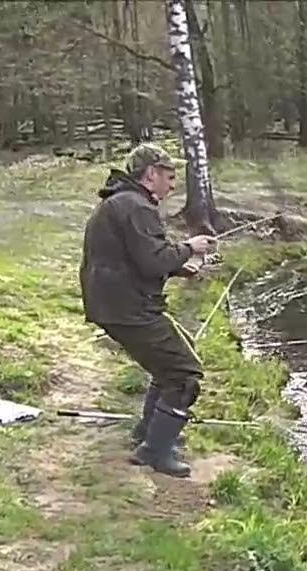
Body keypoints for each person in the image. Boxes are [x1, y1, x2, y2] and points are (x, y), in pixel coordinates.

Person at [80, 144, 214, 478]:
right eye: (168, 177)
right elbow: (152, 259)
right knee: (184, 375)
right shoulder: (136, 206)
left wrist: (179, 268)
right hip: (129, 309)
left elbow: (136, 258)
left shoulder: (120, 202)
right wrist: (189, 248)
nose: (172, 186)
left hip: (116, 305)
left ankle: (148, 434)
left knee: (171, 364)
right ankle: (155, 452)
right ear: (150, 174)